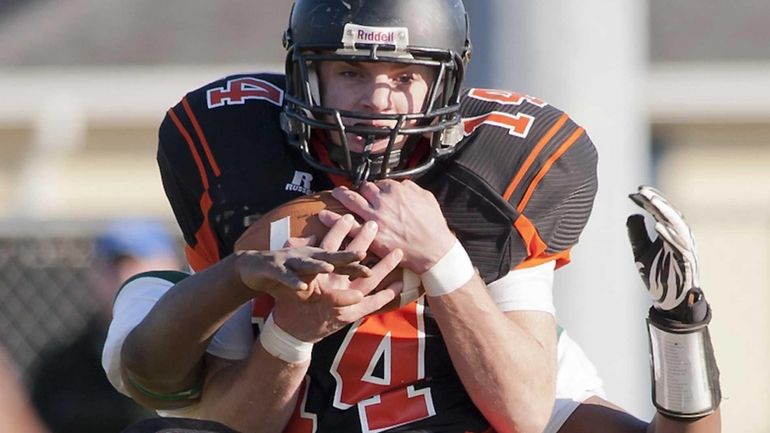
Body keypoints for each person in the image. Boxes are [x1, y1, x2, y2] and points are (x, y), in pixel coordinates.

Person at [101, 1, 721, 432]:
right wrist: (264, 297)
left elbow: (526, 406)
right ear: (306, 71)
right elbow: (154, 377)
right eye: (350, 71)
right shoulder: (241, 196)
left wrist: (680, 324)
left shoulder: (493, 242)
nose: (377, 99)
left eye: (405, 75)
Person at [30, 220, 179, 433]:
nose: (123, 276)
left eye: (137, 263)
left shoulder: (207, 354)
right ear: (94, 274)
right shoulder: (61, 368)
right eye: (113, 265)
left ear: (171, 266)